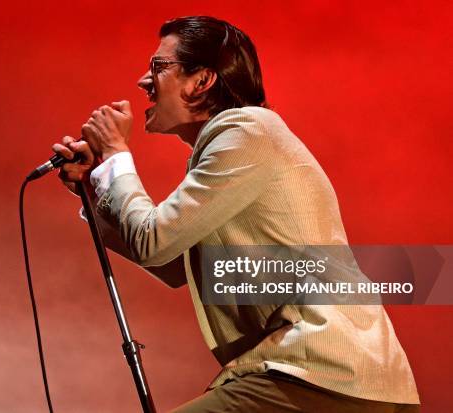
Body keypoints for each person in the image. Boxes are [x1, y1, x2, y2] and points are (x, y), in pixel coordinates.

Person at [52, 16, 420, 412]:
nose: (144, 81)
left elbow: (153, 242)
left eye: (159, 67)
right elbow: (177, 263)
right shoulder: (233, 145)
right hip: (346, 382)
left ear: (203, 80)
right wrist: (95, 188)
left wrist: (115, 156)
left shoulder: (246, 131)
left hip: (321, 373)